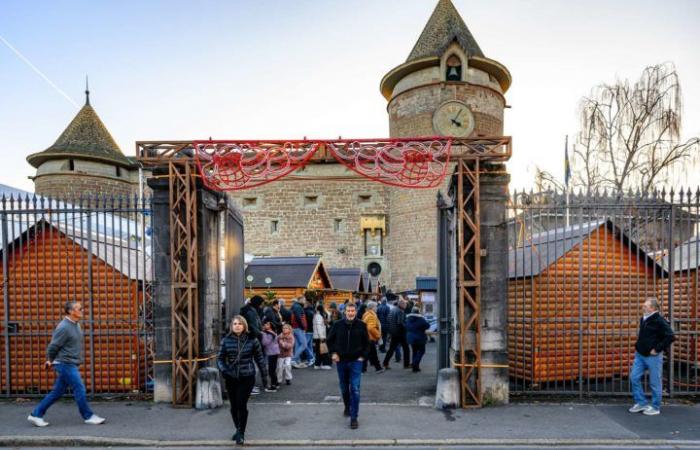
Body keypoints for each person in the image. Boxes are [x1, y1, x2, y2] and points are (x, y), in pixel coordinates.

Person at [28, 300, 106, 427]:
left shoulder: (76, 324)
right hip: (64, 363)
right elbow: (53, 346)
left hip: (70, 362)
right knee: (79, 388)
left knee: (57, 392)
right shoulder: (64, 327)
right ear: (71, 311)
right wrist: (49, 359)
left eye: (82, 308)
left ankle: (36, 414)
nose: (82, 311)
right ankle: (88, 416)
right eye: (79, 309)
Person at [217, 315, 268, 445]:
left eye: (240, 323)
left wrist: (264, 376)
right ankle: (238, 429)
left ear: (244, 325)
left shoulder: (252, 340)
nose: (237, 326)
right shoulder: (226, 340)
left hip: (247, 377)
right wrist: (225, 370)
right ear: (231, 326)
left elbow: (260, 359)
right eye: (235, 324)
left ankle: (241, 434)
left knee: (241, 404)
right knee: (233, 406)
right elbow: (220, 359)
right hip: (231, 377)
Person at [629, 297, 674, 416]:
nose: (643, 307)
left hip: (653, 357)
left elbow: (670, 336)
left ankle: (655, 407)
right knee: (634, 377)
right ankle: (641, 403)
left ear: (653, 308)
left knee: (655, 382)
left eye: (645, 306)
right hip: (640, 355)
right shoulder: (644, 318)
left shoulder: (659, 320)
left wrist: (657, 349)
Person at [327, 303, 369, 429]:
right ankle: (347, 406)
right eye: (348, 311)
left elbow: (367, 343)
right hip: (341, 361)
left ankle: (354, 417)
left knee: (355, 389)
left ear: (356, 312)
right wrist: (333, 353)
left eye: (352, 311)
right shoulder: (337, 325)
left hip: (356, 361)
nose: (350, 313)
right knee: (344, 388)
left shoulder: (362, 325)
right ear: (345, 312)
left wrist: (363, 356)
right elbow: (330, 340)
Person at [240, 295, 265, 394]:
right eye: (261, 303)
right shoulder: (251, 312)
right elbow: (253, 325)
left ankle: (249, 386)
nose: (262, 306)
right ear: (258, 303)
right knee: (253, 365)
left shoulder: (247, 309)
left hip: (246, 339)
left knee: (250, 363)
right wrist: (260, 334)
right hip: (250, 339)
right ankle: (249, 387)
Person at [383, 299, 410, 369]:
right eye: (405, 304)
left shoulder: (393, 310)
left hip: (393, 332)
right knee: (406, 348)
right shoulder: (400, 311)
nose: (406, 306)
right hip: (400, 333)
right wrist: (406, 328)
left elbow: (388, 320)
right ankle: (406, 364)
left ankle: (385, 363)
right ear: (402, 305)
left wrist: (390, 331)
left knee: (391, 349)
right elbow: (400, 323)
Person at [361, 301, 384, 373]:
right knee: (369, 354)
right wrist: (378, 335)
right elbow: (371, 328)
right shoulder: (371, 315)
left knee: (370, 354)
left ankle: (377, 368)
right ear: (372, 307)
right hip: (370, 337)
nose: (377, 308)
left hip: (366, 337)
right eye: (376, 306)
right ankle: (376, 368)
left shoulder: (366, 314)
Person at [405, 307, 430, 372]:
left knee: (414, 352)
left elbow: (406, 326)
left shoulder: (408, 318)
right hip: (420, 338)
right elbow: (427, 326)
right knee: (422, 351)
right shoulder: (421, 319)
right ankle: (415, 364)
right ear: (418, 312)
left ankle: (415, 368)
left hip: (411, 338)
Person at [290, 297, 309, 368]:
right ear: (300, 300)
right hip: (298, 328)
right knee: (304, 344)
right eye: (304, 300)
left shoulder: (295, 306)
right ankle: (293, 360)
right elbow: (299, 318)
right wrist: (303, 327)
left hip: (295, 328)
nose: (305, 301)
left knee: (298, 345)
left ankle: (297, 360)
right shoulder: (298, 307)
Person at [261, 320, 280, 391]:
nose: (265, 325)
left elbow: (265, 343)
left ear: (270, 326)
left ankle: (273, 386)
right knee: (273, 369)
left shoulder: (268, 333)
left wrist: (263, 334)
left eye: (267, 324)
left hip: (271, 353)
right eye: (264, 324)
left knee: (271, 370)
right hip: (275, 352)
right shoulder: (273, 332)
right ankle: (276, 383)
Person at [313, 304, 333, 369]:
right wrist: (321, 336)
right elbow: (319, 327)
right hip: (320, 336)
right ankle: (325, 364)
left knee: (319, 351)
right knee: (323, 351)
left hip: (318, 336)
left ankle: (317, 364)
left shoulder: (318, 315)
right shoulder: (319, 316)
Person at [303, 298, 316, 367]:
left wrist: (305, 329)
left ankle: (311, 358)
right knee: (309, 345)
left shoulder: (306, 312)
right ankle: (310, 358)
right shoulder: (313, 311)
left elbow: (306, 322)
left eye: (304, 304)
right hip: (312, 331)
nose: (303, 305)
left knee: (305, 345)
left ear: (307, 305)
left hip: (307, 330)